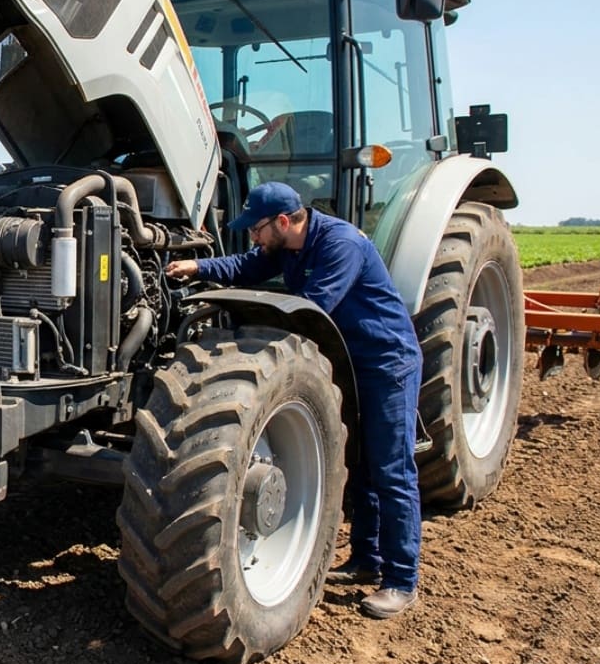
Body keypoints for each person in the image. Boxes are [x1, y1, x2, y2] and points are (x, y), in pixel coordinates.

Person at [164, 181, 424, 620]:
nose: (254, 237)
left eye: (258, 229)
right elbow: (246, 267)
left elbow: (313, 309)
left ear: (284, 222)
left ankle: (401, 580)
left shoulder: (341, 245)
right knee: (359, 462)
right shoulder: (285, 246)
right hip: (348, 360)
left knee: (390, 469)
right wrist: (197, 266)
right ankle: (366, 559)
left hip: (385, 361)